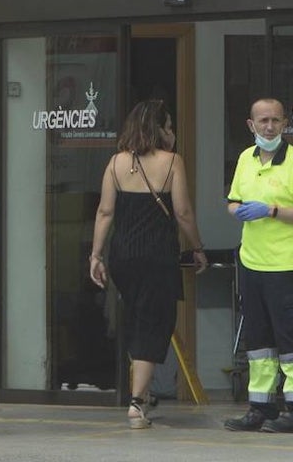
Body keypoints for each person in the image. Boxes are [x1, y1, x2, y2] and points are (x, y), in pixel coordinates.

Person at [88, 99, 207, 429]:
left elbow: (105, 212)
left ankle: (140, 394)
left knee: (137, 318)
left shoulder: (116, 163)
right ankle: (137, 403)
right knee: (153, 323)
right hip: (158, 256)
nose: (172, 133)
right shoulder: (172, 162)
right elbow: (182, 212)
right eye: (168, 127)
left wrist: (96, 255)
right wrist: (197, 247)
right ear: (158, 130)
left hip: (123, 255)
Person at [222, 97, 293, 433]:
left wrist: (272, 210)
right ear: (251, 125)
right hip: (252, 262)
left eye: (275, 121)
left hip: (286, 263)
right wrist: (240, 211)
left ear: (285, 123)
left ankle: (292, 409)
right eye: (262, 121)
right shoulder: (245, 160)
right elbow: (233, 203)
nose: (269, 126)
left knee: (289, 339)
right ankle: (260, 407)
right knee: (259, 340)